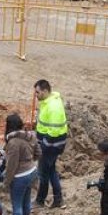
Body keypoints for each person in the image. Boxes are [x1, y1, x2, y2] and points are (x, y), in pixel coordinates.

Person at [2, 113, 38, 215]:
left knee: (17, 206)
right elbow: (38, 152)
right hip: (32, 172)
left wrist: (6, 183)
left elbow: (11, 166)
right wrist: (29, 161)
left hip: (20, 176)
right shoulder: (30, 136)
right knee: (26, 202)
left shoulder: (13, 143)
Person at [34, 79, 68, 208]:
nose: (36, 95)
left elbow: (53, 131)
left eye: (37, 92)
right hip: (51, 145)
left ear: (45, 91)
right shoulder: (48, 102)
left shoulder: (53, 107)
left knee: (43, 173)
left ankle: (40, 200)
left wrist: (43, 146)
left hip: (50, 146)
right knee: (51, 170)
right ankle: (58, 199)